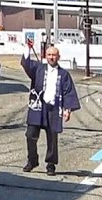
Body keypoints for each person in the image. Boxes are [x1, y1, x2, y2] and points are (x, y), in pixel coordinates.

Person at [21, 40, 80, 175]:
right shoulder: (38, 69)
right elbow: (26, 64)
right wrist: (27, 48)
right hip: (38, 107)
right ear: (45, 56)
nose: (51, 57)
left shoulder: (64, 74)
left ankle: (51, 164)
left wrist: (67, 109)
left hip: (54, 108)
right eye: (49, 55)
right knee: (30, 135)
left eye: (54, 55)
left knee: (52, 138)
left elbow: (68, 92)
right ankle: (32, 161)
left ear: (58, 57)